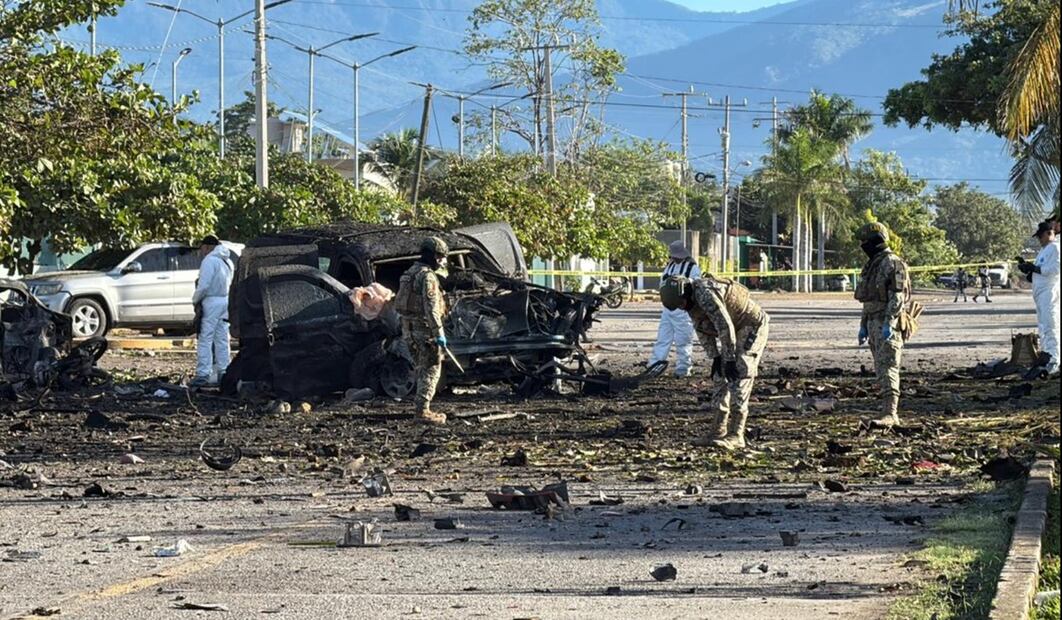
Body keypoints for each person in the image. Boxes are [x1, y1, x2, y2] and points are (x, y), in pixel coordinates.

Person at [659, 273, 770, 451]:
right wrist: (716, 357)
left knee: (740, 370)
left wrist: (730, 359)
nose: (682, 307)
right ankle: (718, 430)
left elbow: (724, 325)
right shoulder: (689, 303)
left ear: (685, 293)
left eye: (681, 303)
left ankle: (736, 434)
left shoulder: (705, 294)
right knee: (720, 375)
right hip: (731, 329)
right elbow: (701, 328)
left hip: (751, 324)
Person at [854, 223, 911, 427]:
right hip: (873, 322)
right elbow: (868, 298)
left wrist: (889, 322)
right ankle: (886, 410)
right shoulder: (872, 265)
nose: (863, 245)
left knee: (888, 367)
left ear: (876, 240)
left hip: (887, 323)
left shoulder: (893, 263)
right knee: (880, 368)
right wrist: (863, 324)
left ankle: (890, 413)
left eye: (866, 241)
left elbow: (897, 297)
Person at [394, 237, 450, 425]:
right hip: (424, 331)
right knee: (431, 369)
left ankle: (421, 408)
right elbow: (431, 308)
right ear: (433, 256)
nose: (442, 261)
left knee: (421, 368)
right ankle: (422, 411)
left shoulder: (409, 273)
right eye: (441, 256)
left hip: (408, 330)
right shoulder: (427, 276)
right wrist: (439, 333)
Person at [648, 241, 701, 377]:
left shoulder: (692, 268)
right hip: (668, 309)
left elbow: (697, 284)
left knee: (683, 341)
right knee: (662, 339)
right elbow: (662, 283)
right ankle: (654, 366)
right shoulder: (670, 266)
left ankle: (683, 368)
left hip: (683, 311)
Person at [191, 235, 234, 387]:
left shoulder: (209, 261)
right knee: (222, 338)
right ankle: (224, 371)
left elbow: (204, 285)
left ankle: (203, 373)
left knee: (205, 338)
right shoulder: (227, 261)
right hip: (225, 301)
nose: (201, 251)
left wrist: (195, 299)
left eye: (202, 248)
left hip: (211, 302)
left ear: (208, 247)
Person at [1018, 221, 1060, 375]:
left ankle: (1054, 360)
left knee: (1051, 326)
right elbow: (1039, 272)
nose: (1039, 240)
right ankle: (1046, 355)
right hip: (1040, 294)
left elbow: (1055, 269)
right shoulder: (1044, 250)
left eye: (1040, 236)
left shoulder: (1055, 248)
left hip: (1049, 293)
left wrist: (1035, 268)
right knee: (1043, 327)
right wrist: (1029, 270)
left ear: (1049, 234)